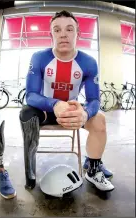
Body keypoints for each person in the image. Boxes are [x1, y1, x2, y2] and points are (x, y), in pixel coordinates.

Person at [19, 10, 114, 192]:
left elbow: (94, 99)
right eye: (57, 30)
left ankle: (93, 168)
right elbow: (30, 95)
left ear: (78, 34)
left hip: (72, 113)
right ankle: (29, 170)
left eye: (70, 29)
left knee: (99, 119)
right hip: (45, 111)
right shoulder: (39, 58)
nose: (63, 34)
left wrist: (84, 113)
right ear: (51, 34)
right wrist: (54, 104)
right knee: (26, 113)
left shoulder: (88, 62)